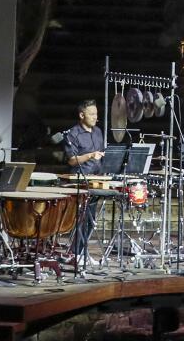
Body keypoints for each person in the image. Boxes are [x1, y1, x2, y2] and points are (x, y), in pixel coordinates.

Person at [62, 100, 105, 261]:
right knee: (81, 220)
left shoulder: (98, 132)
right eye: (92, 114)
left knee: (90, 221)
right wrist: (90, 155)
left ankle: (80, 253)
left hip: (96, 180)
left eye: (96, 114)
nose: (95, 117)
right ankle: (76, 253)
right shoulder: (72, 134)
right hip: (79, 181)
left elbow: (100, 153)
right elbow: (72, 160)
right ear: (82, 115)